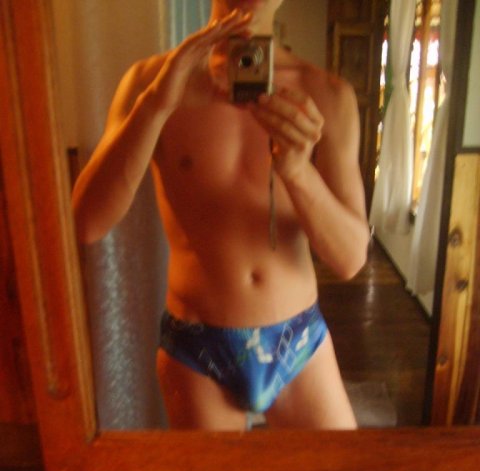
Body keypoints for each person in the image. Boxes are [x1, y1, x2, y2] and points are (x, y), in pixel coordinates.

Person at [73, 0, 370, 431]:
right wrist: (155, 107)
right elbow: (86, 223)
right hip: (198, 348)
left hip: (297, 341)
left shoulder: (327, 95)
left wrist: (297, 172)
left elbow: (350, 259)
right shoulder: (149, 83)